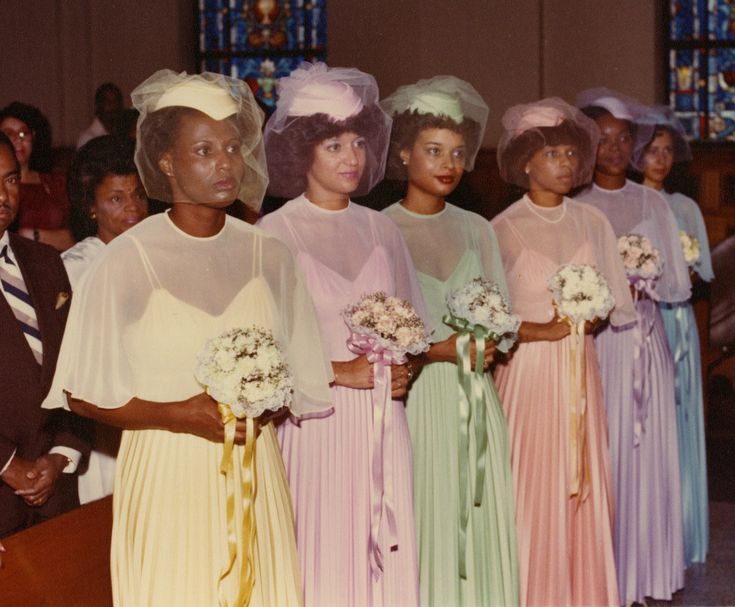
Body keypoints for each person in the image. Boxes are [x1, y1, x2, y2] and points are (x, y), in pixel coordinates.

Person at [43, 69, 333, 606]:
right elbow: (80, 391)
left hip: (252, 465)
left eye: (231, 148)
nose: (224, 163)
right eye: (204, 150)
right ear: (167, 162)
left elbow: (298, 370)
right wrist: (176, 414)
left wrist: (265, 398)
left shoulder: (269, 254)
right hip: (165, 467)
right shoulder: (128, 258)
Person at [259, 61, 423, 607]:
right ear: (302, 151)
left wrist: (404, 370)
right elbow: (262, 358)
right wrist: (336, 372)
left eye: (357, 142)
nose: (351, 157)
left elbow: (410, 327)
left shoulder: (383, 228)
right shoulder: (273, 234)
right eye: (333, 145)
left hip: (382, 419)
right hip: (314, 420)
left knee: (388, 549)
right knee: (320, 552)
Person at [491, 98, 636, 606]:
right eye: (553, 153)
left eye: (573, 154)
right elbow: (491, 321)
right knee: (532, 484)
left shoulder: (593, 220)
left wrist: (587, 315)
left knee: (585, 483)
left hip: (581, 370)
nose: (567, 164)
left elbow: (616, 300)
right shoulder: (502, 228)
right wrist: (540, 331)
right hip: (527, 375)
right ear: (526, 161)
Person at [381, 76, 518, 607]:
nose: (449, 164)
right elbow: (379, 332)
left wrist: (489, 341)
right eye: (434, 151)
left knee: (476, 509)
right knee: (425, 511)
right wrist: (439, 349)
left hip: (475, 397)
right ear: (404, 154)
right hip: (414, 400)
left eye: (459, 153)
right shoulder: (381, 229)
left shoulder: (478, 229)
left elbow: (503, 322)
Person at [575, 88, 689, 604]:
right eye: (604, 140)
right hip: (601, 343)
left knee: (645, 450)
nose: (616, 149)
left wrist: (645, 279)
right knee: (609, 449)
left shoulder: (652, 203)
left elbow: (677, 285)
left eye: (624, 140)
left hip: (645, 337)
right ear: (588, 147)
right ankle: (606, 572)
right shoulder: (578, 207)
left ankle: (647, 572)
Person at [0, 131, 89, 540]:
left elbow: (76, 369)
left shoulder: (45, 262)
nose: (2, 195)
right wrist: (8, 465)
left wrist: (61, 455)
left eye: (10, 179)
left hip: (55, 491)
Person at [638, 106, 713, 566]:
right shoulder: (626, 201)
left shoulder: (685, 207)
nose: (660, 160)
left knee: (681, 414)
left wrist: (682, 267)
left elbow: (702, 272)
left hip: (678, 318)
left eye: (667, 152)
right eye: (651, 150)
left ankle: (683, 529)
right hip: (644, 318)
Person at [62, 134, 149, 504]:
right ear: (91, 207)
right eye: (116, 198)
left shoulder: (157, 256)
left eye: (138, 194)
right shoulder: (76, 269)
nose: (133, 207)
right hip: (104, 423)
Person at [0, 102, 74, 251]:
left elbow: (75, 238)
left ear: (33, 137)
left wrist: (32, 236)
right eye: (9, 134)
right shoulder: (3, 192)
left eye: (23, 134)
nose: (17, 140)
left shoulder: (53, 182)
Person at [77, 83, 124, 149]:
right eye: (108, 102)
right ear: (98, 105)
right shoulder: (88, 138)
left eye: (116, 101)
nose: (113, 106)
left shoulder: (122, 135)